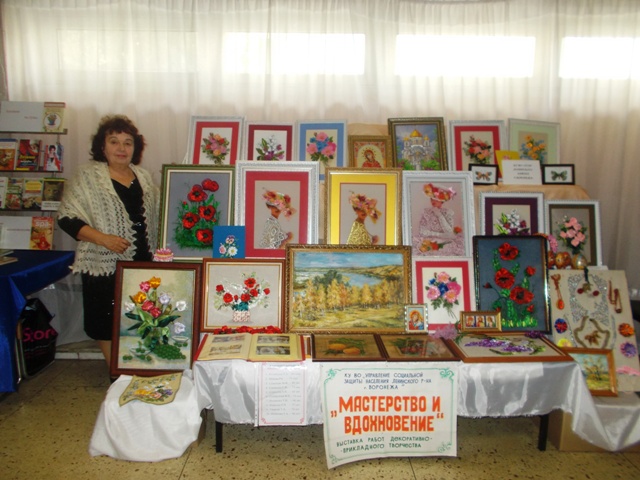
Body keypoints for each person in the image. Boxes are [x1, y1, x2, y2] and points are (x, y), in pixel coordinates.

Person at [57, 115, 159, 369]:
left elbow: (160, 214)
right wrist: (103, 239)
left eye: (127, 142)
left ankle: (138, 369)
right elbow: (67, 218)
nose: (121, 148)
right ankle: (116, 373)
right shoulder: (87, 177)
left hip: (142, 263)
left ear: (135, 148)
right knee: (105, 323)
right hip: (104, 264)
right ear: (102, 147)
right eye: (114, 142)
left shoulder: (144, 177)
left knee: (141, 319)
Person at [413, 183, 464, 256]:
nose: (433, 201)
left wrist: (439, 215)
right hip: (428, 240)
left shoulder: (448, 212)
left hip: (444, 242)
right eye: (432, 199)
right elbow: (422, 231)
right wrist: (441, 235)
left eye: (437, 200)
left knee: (447, 247)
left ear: (442, 201)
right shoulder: (426, 212)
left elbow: (449, 231)